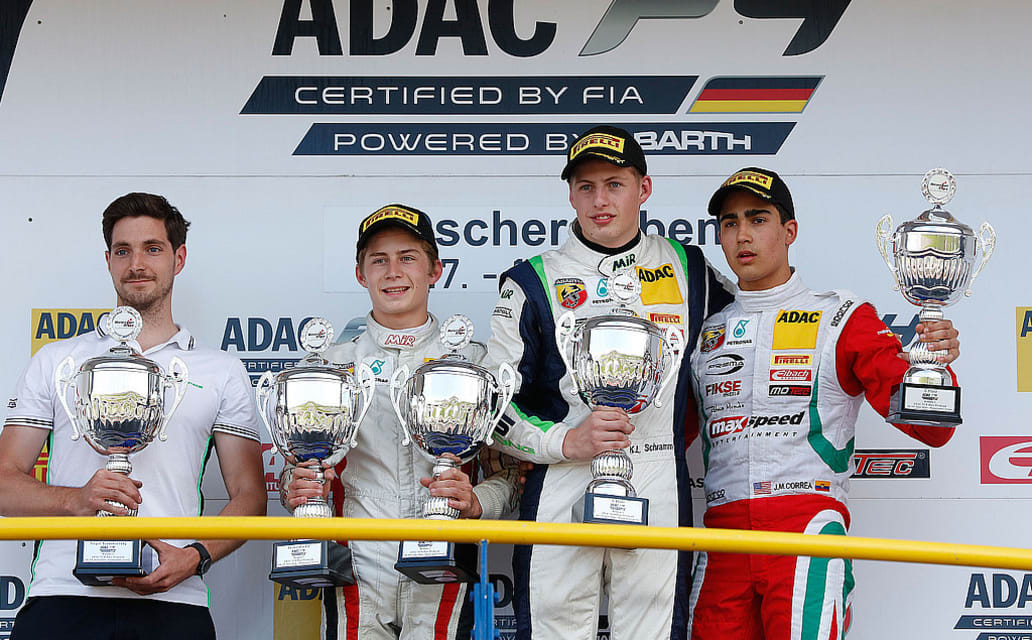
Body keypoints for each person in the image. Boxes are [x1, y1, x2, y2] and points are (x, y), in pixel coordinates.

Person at [687, 168, 960, 639]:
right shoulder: (705, 330)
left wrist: (933, 364)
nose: (743, 235)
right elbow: (669, 435)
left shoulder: (840, 316)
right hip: (721, 536)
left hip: (805, 528)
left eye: (758, 219)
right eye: (730, 223)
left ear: (789, 231)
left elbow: (932, 429)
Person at [485, 125, 734, 640]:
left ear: (644, 189)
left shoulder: (689, 268)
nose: (600, 201)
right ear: (570, 195)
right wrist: (565, 442)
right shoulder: (532, 279)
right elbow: (492, 408)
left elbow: (745, 341)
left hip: (658, 475)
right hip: (561, 477)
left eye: (614, 184)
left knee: (653, 632)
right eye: (586, 187)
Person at [0, 193, 267, 639]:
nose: (136, 264)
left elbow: (250, 496)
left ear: (179, 258)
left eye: (152, 248)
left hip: (174, 598)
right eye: (122, 251)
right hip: (61, 594)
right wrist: (75, 500)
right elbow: (3, 482)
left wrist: (194, 556)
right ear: (108, 261)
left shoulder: (220, 370)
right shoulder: (57, 361)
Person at [282, 204, 522, 640]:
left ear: (435, 270)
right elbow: (294, 470)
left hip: (446, 549)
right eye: (379, 260)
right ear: (361, 274)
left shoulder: (476, 364)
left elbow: (509, 474)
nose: (393, 272)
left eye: (407, 258)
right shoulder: (329, 365)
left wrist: (475, 503)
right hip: (356, 554)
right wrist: (295, 487)